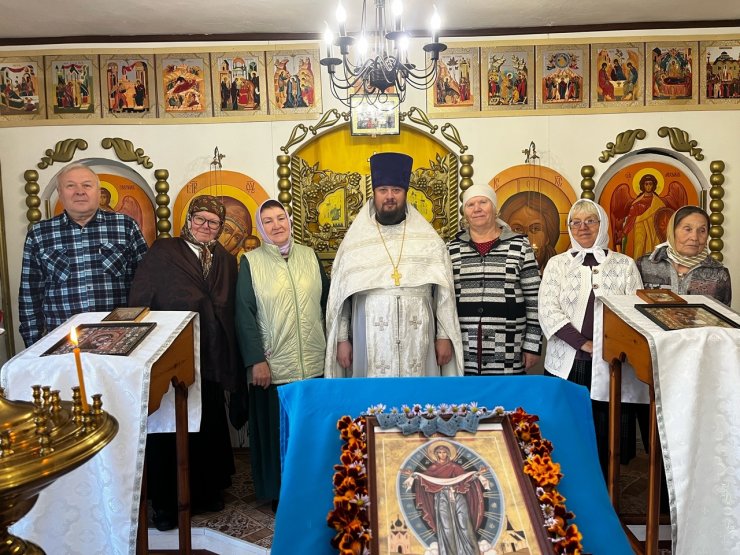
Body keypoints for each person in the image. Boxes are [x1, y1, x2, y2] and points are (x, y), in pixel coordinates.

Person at [129, 195, 241, 530]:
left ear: (220, 227)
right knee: (170, 425)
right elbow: (142, 297)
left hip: (210, 352)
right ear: (188, 219)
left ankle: (207, 492)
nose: (206, 226)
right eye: (200, 219)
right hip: (172, 352)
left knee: (208, 422)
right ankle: (167, 502)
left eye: (214, 222)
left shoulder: (225, 259)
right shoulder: (164, 252)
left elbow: (227, 303)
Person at [324, 152, 463, 378]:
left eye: (396, 190)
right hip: (368, 333)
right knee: (372, 394)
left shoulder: (428, 239)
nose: (390, 196)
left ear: (405, 193)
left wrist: (443, 336)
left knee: (418, 394)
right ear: (374, 193)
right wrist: (341, 339)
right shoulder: (355, 241)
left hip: (419, 335)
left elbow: (444, 292)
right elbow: (341, 298)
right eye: (383, 190)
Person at [538, 199, 647, 479]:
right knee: (568, 430)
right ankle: (568, 487)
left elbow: (635, 312)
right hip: (568, 363)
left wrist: (609, 347)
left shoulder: (624, 265)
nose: (583, 227)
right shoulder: (557, 264)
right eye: (575, 222)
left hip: (612, 363)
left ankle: (607, 489)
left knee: (607, 434)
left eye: (590, 221)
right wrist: (583, 343)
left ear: (603, 224)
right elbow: (548, 310)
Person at [235, 199, 328, 510]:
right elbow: (244, 314)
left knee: (310, 432)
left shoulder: (309, 256)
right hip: (273, 365)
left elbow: (327, 304)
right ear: (261, 228)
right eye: (268, 221)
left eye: (280, 218)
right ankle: (280, 493)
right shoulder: (251, 262)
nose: (276, 225)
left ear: (289, 220)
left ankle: (312, 489)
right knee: (278, 434)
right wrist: (256, 360)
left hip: (314, 362)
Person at [19, 162, 147, 347]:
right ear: (60, 193)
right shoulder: (39, 234)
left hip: (121, 338)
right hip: (62, 341)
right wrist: (35, 345)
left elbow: (146, 285)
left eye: (87, 185)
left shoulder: (126, 226)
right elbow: (30, 295)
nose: (80, 191)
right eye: (70, 186)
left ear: (98, 192)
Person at [447, 184, 542, 375]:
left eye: (483, 202)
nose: (477, 209)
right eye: (470, 204)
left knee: (506, 394)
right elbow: (444, 300)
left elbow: (535, 299)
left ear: (494, 208)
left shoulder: (520, 246)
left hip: (509, 346)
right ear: (465, 212)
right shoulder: (451, 249)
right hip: (464, 346)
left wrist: (532, 345)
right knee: (466, 394)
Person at [401, 442, 489, 555]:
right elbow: (425, 478)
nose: (442, 455)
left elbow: (465, 478)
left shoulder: (454, 467)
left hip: (457, 496)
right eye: (439, 452)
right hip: (442, 497)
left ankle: (471, 552)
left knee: (465, 524)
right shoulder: (433, 468)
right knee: (446, 527)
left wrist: (477, 474)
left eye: (444, 452)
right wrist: (413, 475)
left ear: (448, 454)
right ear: (436, 454)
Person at [636, 205, 731, 305]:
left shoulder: (719, 273)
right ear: (672, 231)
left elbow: (722, 313)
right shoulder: (645, 265)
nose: (694, 237)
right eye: (688, 229)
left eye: (702, 230)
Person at [499, 191, 560, 272]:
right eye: (517, 229)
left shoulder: (561, 272)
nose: (526, 238)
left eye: (535, 229)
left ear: (548, 237)